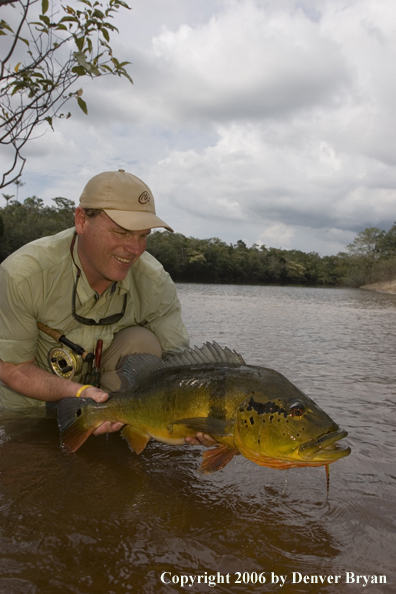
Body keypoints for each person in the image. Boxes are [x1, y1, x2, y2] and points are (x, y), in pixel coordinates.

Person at [0, 169, 213, 444]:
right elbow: (13, 369)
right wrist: (78, 393)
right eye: (121, 232)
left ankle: (120, 431)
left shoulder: (155, 282)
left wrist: (198, 416)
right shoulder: (22, 275)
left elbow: (177, 365)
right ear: (81, 220)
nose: (134, 249)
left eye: (142, 236)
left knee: (142, 341)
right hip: (29, 407)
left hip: (111, 407)